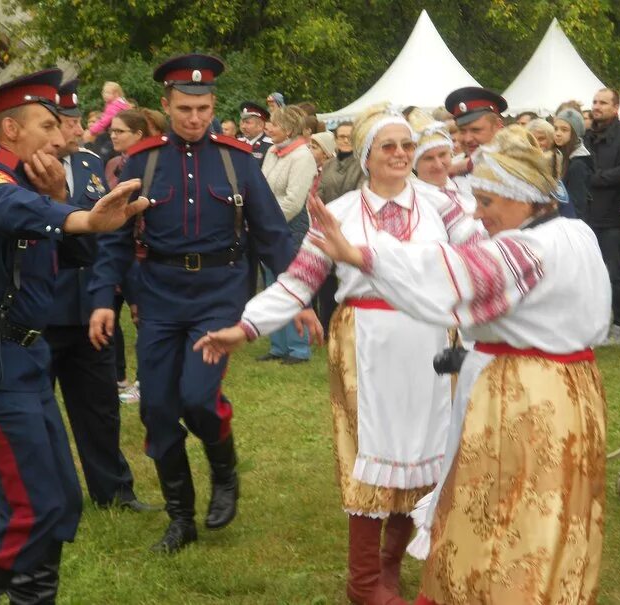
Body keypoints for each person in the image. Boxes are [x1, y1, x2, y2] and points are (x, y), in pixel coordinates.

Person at [306, 125, 610, 605]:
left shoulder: (525, 249)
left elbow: (449, 276)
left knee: (503, 508)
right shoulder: (575, 232)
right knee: (558, 508)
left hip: (525, 397)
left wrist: (361, 254)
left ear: (523, 198)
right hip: (573, 392)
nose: (479, 215)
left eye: (488, 203)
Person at [193, 103, 456, 605]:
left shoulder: (443, 205)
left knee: (426, 449)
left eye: (407, 146)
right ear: (366, 156)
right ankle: (362, 583)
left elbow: (478, 264)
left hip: (430, 338)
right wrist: (245, 327)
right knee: (368, 452)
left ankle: (390, 567)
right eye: (388, 146)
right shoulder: (340, 213)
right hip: (368, 339)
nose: (400, 154)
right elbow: (299, 281)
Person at [0, 68, 148, 603]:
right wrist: (82, 219)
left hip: (22, 356)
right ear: (11, 133)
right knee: (32, 506)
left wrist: (67, 208)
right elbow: (8, 208)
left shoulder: (35, 186)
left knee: (61, 501)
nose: (62, 134)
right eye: (48, 124)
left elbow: (71, 256)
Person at [88, 54, 297, 554]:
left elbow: (271, 235)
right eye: (185, 108)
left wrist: (299, 294)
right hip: (159, 298)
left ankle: (224, 468)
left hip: (219, 296)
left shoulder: (238, 160)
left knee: (200, 399)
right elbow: (114, 241)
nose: (196, 118)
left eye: (204, 108)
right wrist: (102, 300)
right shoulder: (139, 162)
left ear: (213, 105)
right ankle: (181, 518)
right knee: (158, 411)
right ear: (166, 105)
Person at [45, 79, 159, 512]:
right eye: (65, 123)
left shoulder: (95, 164)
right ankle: (52, 496)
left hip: (91, 303)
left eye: (77, 121)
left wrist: (129, 294)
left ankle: (114, 490)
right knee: (41, 411)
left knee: (99, 406)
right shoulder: (21, 173)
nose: (76, 131)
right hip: (41, 306)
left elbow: (114, 239)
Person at [584, 88, 620, 345]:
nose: (597, 106)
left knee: (617, 274)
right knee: (587, 273)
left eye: (603, 103)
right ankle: (591, 324)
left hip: (614, 216)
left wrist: (595, 179)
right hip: (586, 215)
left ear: (616, 108)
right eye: (595, 102)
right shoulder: (586, 135)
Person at [259, 104, 317, 364]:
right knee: (273, 284)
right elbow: (261, 186)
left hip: (291, 225)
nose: (268, 127)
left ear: (289, 129)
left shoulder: (303, 156)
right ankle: (278, 345)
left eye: (274, 123)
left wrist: (265, 220)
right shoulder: (272, 151)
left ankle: (298, 348)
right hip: (269, 223)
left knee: (292, 285)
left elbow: (294, 201)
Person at [103, 108, 149, 401]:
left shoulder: (148, 165)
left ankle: (145, 381)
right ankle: (118, 378)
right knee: (112, 315)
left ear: (138, 135)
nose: (113, 135)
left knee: (143, 319)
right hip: (113, 247)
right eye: (112, 131)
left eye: (120, 131)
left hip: (141, 253)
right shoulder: (108, 165)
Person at [406, 108, 484, 243]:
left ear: (451, 154)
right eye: (428, 158)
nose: (438, 164)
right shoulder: (415, 199)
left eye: (442, 155)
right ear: (415, 164)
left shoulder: (459, 185)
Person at [316, 121, 364, 336]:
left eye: (348, 137)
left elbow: (360, 194)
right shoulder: (328, 165)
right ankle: (326, 325)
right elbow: (322, 191)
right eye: (340, 136)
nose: (344, 140)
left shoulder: (363, 166)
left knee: (346, 276)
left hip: (350, 227)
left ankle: (346, 324)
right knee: (325, 279)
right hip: (328, 223)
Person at [444, 87, 506, 186]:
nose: (468, 139)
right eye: (462, 131)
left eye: (476, 130)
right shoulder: (451, 166)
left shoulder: (515, 167)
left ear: (498, 126)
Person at [552, 108, 592, 220]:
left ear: (575, 133)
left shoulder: (578, 164)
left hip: (570, 223)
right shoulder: (559, 156)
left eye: (564, 130)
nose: (558, 133)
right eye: (556, 129)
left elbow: (578, 205)